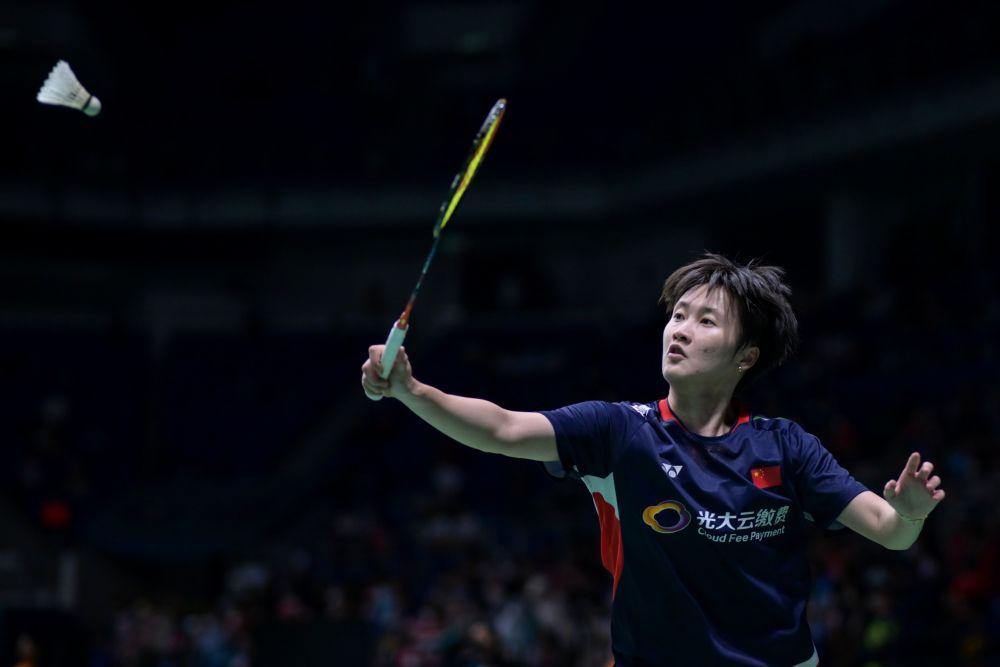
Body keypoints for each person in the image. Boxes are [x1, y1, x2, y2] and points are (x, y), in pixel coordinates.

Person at [360, 253, 946, 667]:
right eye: (678, 315)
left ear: (746, 357)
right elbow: (503, 428)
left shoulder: (785, 446)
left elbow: (890, 532)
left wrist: (911, 512)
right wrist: (413, 392)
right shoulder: (621, 433)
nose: (680, 331)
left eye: (706, 321)